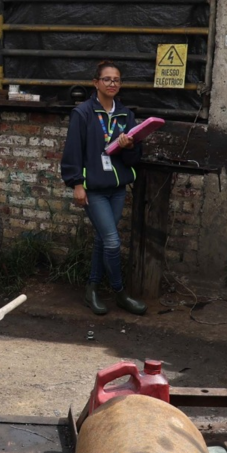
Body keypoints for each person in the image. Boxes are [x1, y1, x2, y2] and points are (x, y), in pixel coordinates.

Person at [60, 61, 146, 316]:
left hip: (117, 188)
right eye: (107, 79)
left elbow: (133, 159)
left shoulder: (126, 115)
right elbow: (73, 151)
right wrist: (77, 184)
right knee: (112, 241)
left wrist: (129, 146)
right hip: (94, 189)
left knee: (102, 238)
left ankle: (92, 289)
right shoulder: (83, 113)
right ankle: (120, 292)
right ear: (95, 83)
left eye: (116, 80)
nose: (112, 84)